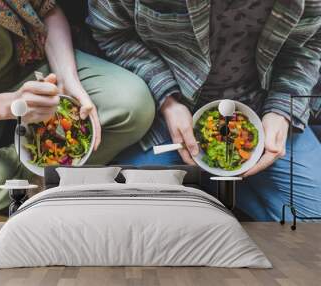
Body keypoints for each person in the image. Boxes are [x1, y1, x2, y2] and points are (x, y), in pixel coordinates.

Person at [87, 0, 321, 221]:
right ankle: (213, 184)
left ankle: (210, 184)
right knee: (128, 213)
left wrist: (282, 110)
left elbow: (310, 42)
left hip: (262, 106)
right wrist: (169, 102)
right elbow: (111, 31)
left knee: (312, 226)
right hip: (166, 113)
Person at [0, 0, 155, 221]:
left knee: (133, 104)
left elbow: (48, 11)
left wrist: (68, 80)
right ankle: (40, 175)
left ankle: (37, 177)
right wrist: (11, 106)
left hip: (31, 62)